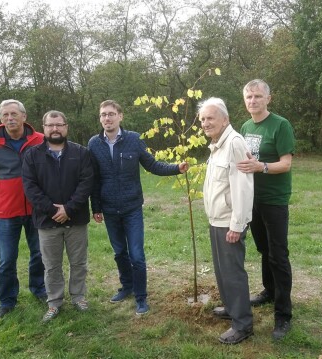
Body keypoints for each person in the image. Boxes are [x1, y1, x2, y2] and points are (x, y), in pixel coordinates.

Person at [88, 100, 189, 315]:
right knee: (119, 252)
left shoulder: (134, 139)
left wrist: (176, 169)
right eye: (103, 114)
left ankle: (141, 297)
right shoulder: (94, 144)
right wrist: (95, 207)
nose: (107, 118)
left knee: (136, 255)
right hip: (108, 208)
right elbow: (93, 178)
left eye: (111, 114)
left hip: (132, 206)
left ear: (120, 116)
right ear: (100, 118)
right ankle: (127, 287)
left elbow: (152, 165)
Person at [0, 99, 47, 320]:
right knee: (7, 260)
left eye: (14, 114)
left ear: (24, 116)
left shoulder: (40, 141)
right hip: (6, 212)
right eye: (5, 115)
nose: (10, 118)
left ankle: (40, 290)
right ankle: (7, 301)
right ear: (0, 119)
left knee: (39, 254)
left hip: (36, 210)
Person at [237, 79, 296, 340]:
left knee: (278, 255)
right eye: (249, 97)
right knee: (263, 250)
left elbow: (286, 164)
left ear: (268, 99)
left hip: (274, 199)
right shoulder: (245, 126)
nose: (253, 101)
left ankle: (283, 315)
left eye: (258, 96)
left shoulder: (280, 125)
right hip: (252, 199)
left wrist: (262, 167)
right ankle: (269, 292)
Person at [22, 111, 94, 322]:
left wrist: (69, 209)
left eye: (59, 125)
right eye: (50, 125)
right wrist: (53, 211)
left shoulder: (81, 153)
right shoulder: (32, 155)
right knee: (51, 265)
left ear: (66, 127)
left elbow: (86, 183)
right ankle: (54, 302)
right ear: (43, 128)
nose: (55, 129)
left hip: (76, 219)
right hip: (47, 221)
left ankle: (79, 297)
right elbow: (30, 188)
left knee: (79, 262)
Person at [199, 97, 254, 344]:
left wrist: (237, 225)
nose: (205, 123)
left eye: (210, 118)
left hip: (229, 222)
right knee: (222, 271)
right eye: (202, 119)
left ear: (225, 119)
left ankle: (242, 324)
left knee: (233, 273)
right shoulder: (217, 144)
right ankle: (232, 308)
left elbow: (243, 187)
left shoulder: (234, 143)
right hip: (216, 219)